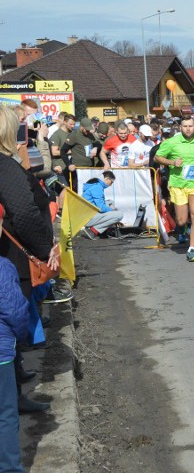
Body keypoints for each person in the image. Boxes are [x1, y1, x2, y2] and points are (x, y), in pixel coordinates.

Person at [0, 106, 57, 415]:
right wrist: (43, 246)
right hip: (13, 260)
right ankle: (14, 397)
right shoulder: (5, 166)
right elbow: (23, 212)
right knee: (9, 328)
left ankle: (17, 378)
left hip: (10, 257)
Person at [154, 115, 194, 262]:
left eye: (191, 126)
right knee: (181, 220)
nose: (188, 129)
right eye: (185, 126)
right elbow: (157, 157)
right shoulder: (172, 142)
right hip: (178, 185)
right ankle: (183, 229)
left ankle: (192, 249)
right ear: (180, 127)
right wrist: (172, 162)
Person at [0, 204, 28, 473]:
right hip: (1, 357)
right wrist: (23, 337)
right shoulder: (3, 267)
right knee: (6, 414)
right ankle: (9, 468)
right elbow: (16, 311)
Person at [79, 171, 125, 239]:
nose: (111, 184)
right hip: (88, 218)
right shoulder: (97, 187)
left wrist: (110, 208)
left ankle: (103, 230)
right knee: (120, 214)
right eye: (111, 182)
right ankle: (93, 230)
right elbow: (101, 208)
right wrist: (112, 210)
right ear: (107, 179)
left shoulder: (95, 184)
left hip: (86, 214)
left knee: (110, 202)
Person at [60, 117, 98, 190]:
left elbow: (98, 144)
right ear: (81, 127)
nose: (88, 131)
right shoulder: (74, 135)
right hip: (78, 170)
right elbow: (63, 151)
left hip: (89, 168)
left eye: (89, 129)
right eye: (86, 129)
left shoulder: (90, 134)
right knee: (79, 189)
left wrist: (96, 148)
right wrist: (69, 164)